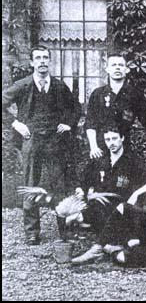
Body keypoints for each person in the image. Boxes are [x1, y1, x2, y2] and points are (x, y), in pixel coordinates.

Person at [2, 45, 81, 245]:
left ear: (49, 61)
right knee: (30, 184)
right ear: (32, 62)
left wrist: (68, 123)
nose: (42, 61)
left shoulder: (58, 86)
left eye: (45, 58)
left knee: (59, 185)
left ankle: (65, 230)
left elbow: (75, 107)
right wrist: (16, 124)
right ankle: (32, 232)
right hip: (31, 139)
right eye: (38, 58)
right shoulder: (23, 85)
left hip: (55, 141)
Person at [76, 124, 146, 235]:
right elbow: (83, 180)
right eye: (108, 139)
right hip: (98, 205)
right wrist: (80, 189)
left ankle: (106, 243)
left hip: (122, 205)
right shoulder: (100, 161)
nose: (111, 143)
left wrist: (136, 194)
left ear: (122, 138)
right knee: (72, 216)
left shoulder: (132, 161)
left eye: (114, 138)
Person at [85, 53, 146, 159]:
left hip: (125, 147)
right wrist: (94, 147)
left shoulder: (135, 94)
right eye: (113, 65)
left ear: (126, 69)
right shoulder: (97, 94)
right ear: (107, 69)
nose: (117, 67)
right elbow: (90, 124)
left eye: (121, 65)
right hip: (101, 149)